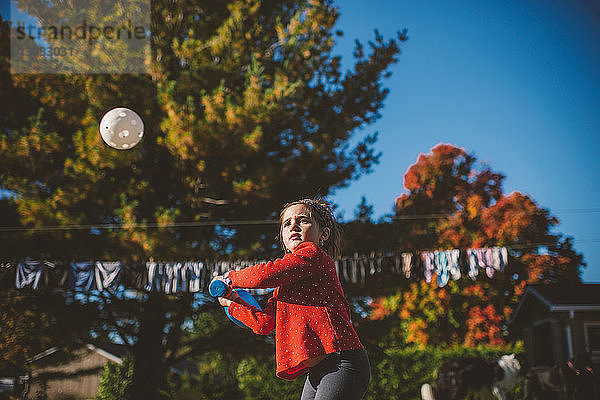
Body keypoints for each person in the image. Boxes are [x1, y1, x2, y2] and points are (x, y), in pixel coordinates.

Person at [214, 198, 370, 400]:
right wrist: (232, 301)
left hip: (342, 361)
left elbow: (264, 276)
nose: (293, 226)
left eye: (303, 220)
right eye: (287, 223)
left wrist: (230, 278)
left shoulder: (313, 255)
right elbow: (264, 323)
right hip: (317, 372)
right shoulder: (284, 286)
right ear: (283, 236)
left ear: (323, 234)